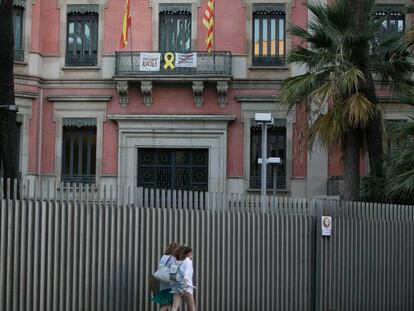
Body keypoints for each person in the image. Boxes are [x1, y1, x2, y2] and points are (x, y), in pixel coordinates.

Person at [152, 242, 180, 311]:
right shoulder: (174, 258)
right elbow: (173, 271)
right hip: (170, 285)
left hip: (162, 285)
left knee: (165, 304)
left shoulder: (163, 257)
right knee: (168, 305)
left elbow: (160, 270)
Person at [170, 246, 196, 311]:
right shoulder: (188, 261)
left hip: (176, 286)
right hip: (186, 287)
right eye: (191, 253)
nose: (191, 254)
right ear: (187, 253)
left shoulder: (175, 260)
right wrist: (184, 287)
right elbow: (186, 275)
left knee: (174, 307)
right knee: (192, 308)